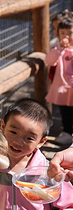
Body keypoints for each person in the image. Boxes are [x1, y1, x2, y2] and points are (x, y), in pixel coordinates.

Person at [47, 14, 73, 143]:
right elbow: (50, 61)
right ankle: (67, 132)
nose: (66, 37)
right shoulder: (58, 49)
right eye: (63, 33)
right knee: (65, 111)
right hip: (63, 87)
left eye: (70, 33)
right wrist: (59, 49)